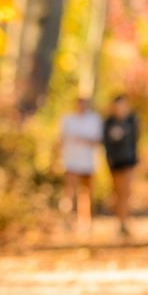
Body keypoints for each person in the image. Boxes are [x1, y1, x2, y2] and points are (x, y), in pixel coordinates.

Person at [58, 96, 103, 232]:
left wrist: (83, 140)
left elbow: (97, 140)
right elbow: (60, 140)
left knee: (87, 193)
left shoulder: (94, 120)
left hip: (88, 162)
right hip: (71, 162)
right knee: (69, 192)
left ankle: (86, 222)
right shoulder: (67, 120)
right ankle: (67, 221)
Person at [103, 94, 139, 237]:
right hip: (114, 162)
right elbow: (106, 142)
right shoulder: (109, 122)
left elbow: (135, 141)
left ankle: (124, 222)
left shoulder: (131, 120)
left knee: (125, 193)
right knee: (117, 193)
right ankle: (120, 221)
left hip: (128, 160)